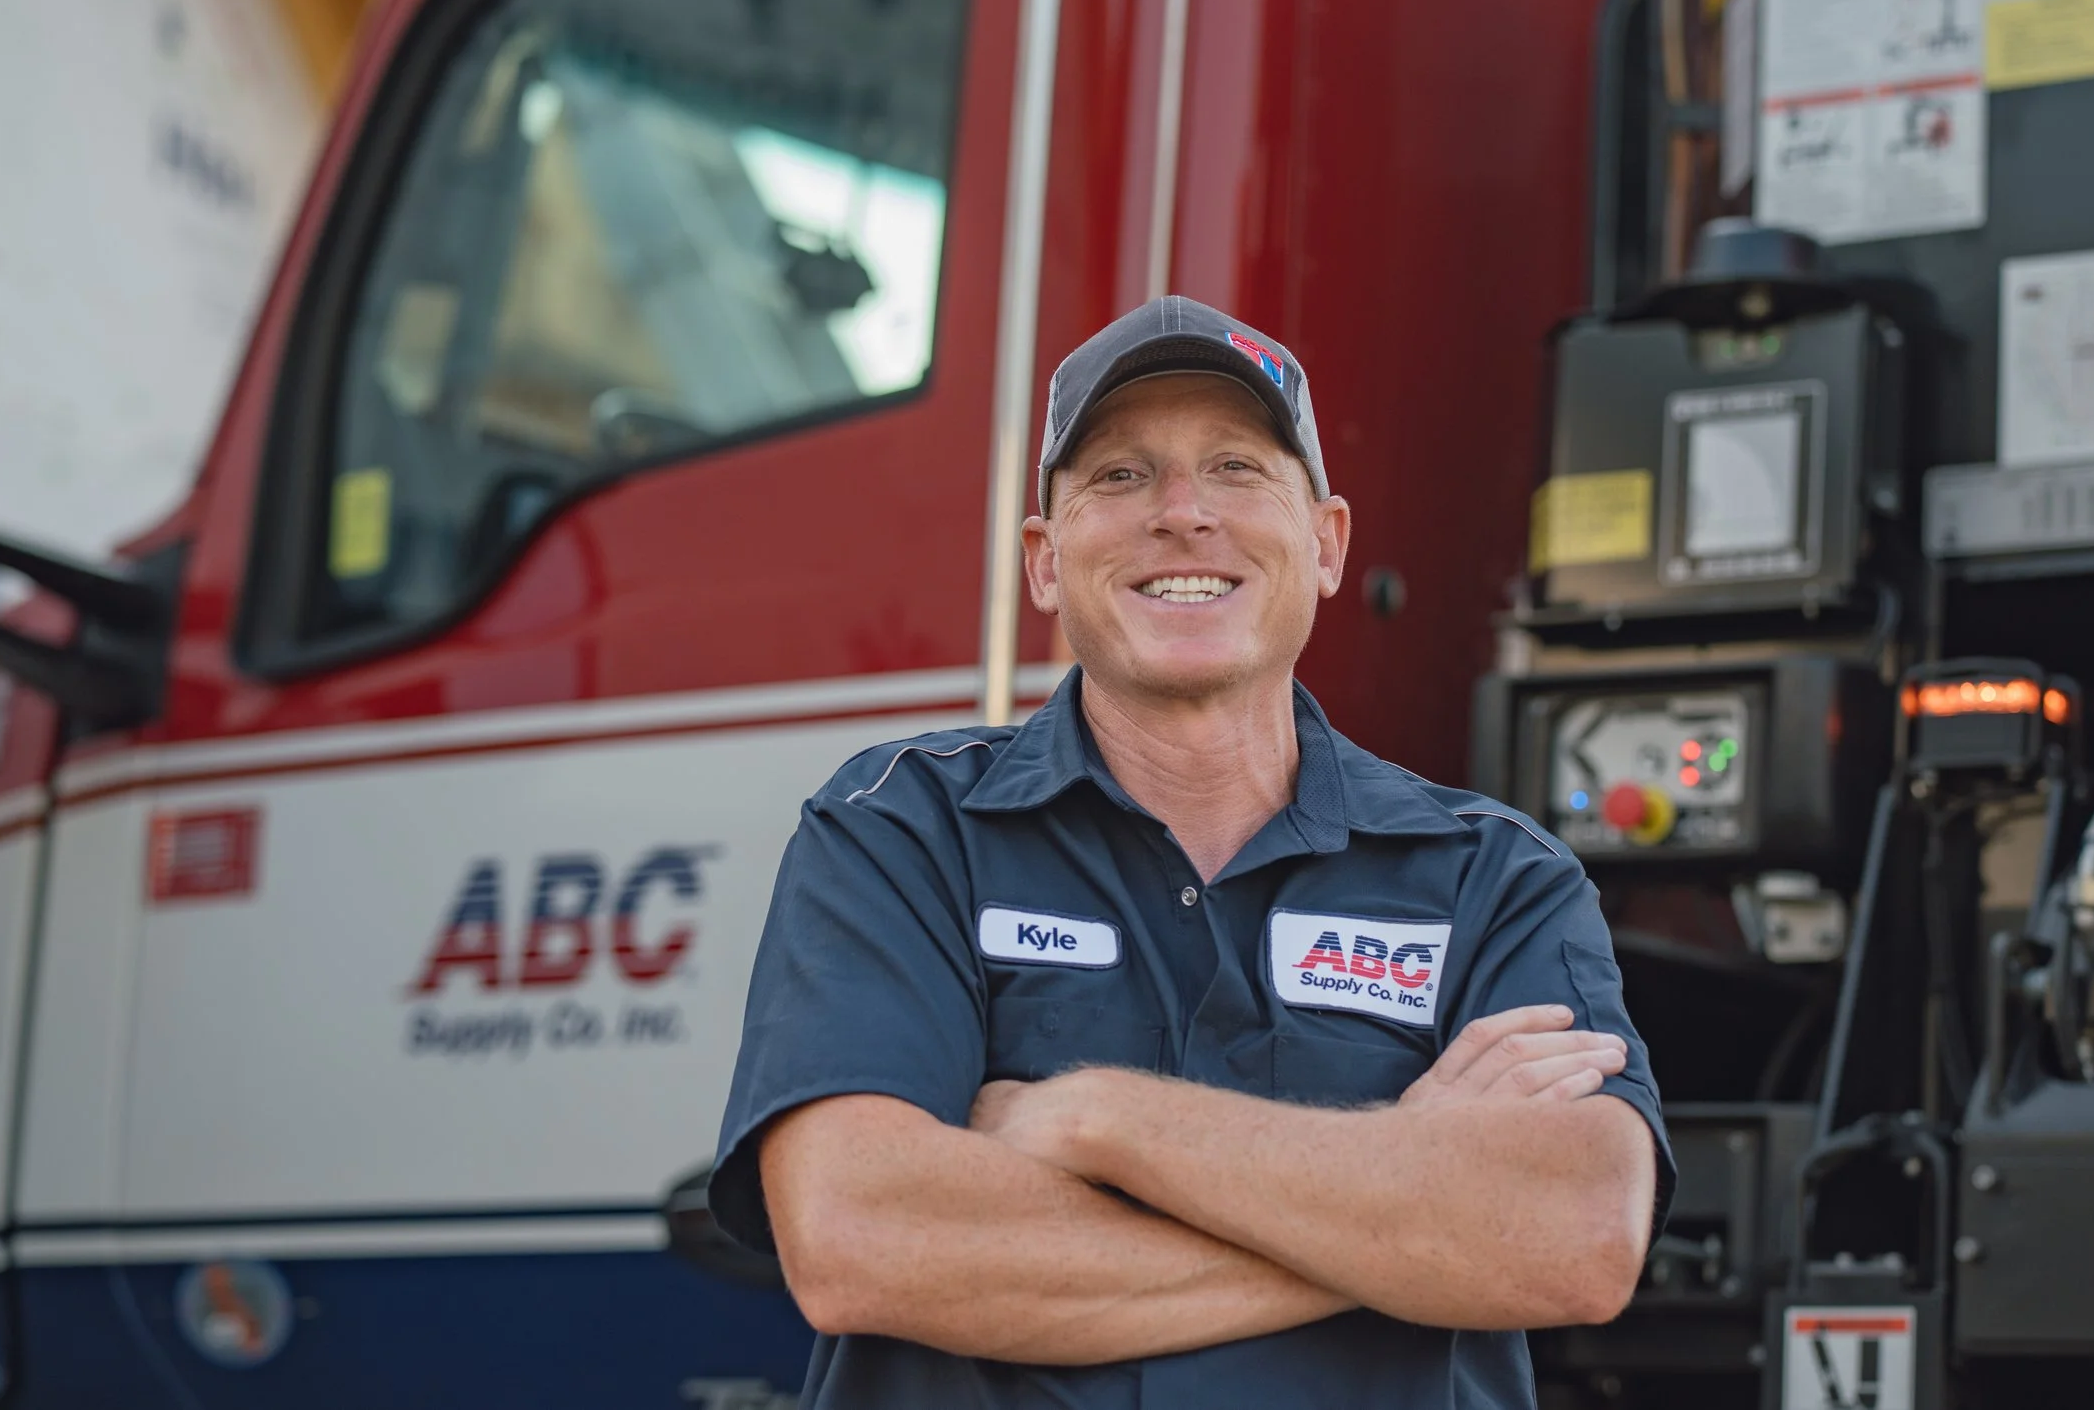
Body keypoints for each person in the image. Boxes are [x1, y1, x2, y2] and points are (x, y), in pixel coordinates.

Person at [711, 296, 1672, 1406]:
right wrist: (1406, 1216)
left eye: (1235, 468)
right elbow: (862, 1239)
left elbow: (1574, 1234)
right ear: (1042, 560)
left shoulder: (1494, 878)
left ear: (1325, 543)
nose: (1180, 513)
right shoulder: (899, 829)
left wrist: (1094, 1118)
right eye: (1119, 476)